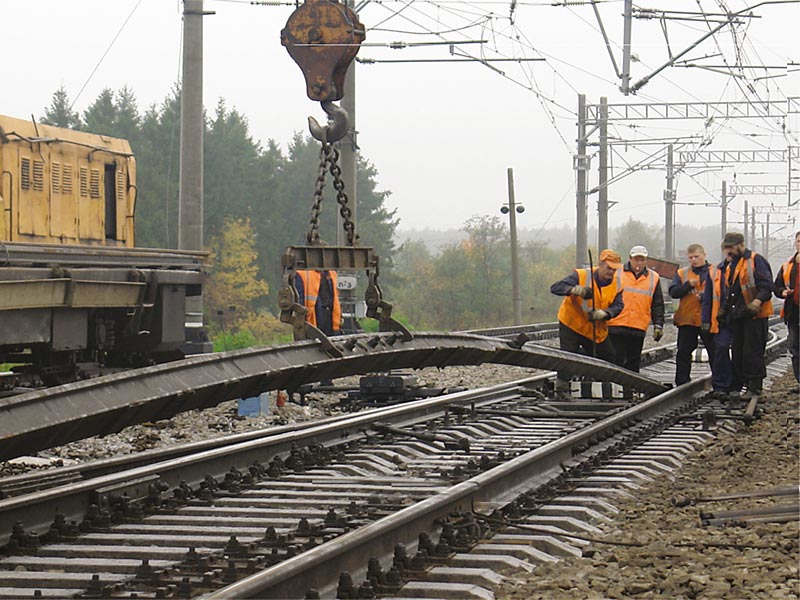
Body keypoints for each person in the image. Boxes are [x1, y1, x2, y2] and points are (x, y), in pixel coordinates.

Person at [550, 248, 624, 396]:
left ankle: (601, 384)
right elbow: (555, 288)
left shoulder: (617, 284)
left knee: (608, 355)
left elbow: (618, 305)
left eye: (614, 270)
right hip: (572, 323)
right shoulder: (581, 275)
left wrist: (605, 313)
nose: (611, 272)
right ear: (600, 264)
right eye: (608, 268)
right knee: (568, 356)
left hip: (594, 327)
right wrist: (575, 290)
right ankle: (562, 389)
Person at [717, 232, 773, 400]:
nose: (728, 251)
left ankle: (754, 388)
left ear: (741, 245)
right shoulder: (731, 265)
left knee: (753, 352)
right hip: (739, 315)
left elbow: (766, 286)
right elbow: (732, 291)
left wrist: (756, 302)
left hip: (755, 316)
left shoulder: (756, 260)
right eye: (726, 248)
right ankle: (739, 386)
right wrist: (724, 309)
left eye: (731, 248)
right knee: (739, 352)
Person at [608, 245, 665, 373]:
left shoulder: (654, 277)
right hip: (616, 324)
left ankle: (629, 390)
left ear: (646, 260)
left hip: (638, 326)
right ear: (630, 259)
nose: (639, 262)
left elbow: (657, 304)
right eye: (636, 259)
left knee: (633, 363)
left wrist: (658, 325)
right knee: (617, 360)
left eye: (642, 259)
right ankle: (616, 388)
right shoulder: (617, 273)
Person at [669, 243, 716, 386]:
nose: (694, 260)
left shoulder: (715, 272)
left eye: (697, 256)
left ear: (704, 255)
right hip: (687, 319)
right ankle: (682, 382)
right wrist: (687, 285)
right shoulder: (682, 273)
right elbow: (674, 292)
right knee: (683, 351)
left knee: (715, 351)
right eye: (691, 257)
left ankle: (719, 382)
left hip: (708, 319)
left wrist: (706, 296)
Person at [702, 252, 734, 397]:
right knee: (720, 348)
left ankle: (737, 384)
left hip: (741, 318)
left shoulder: (746, 268)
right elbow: (708, 298)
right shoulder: (714, 271)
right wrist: (705, 321)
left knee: (741, 353)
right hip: (721, 319)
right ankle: (721, 385)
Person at [774, 230, 799, 390]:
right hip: (794, 312)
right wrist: (782, 292)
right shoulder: (787, 266)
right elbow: (777, 286)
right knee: (796, 348)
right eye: (799, 241)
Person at [294, 269, 341, 336]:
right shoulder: (303, 274)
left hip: (331, 321)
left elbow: (335, 299)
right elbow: (300, 301)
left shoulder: (331, 273)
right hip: (313, 320)